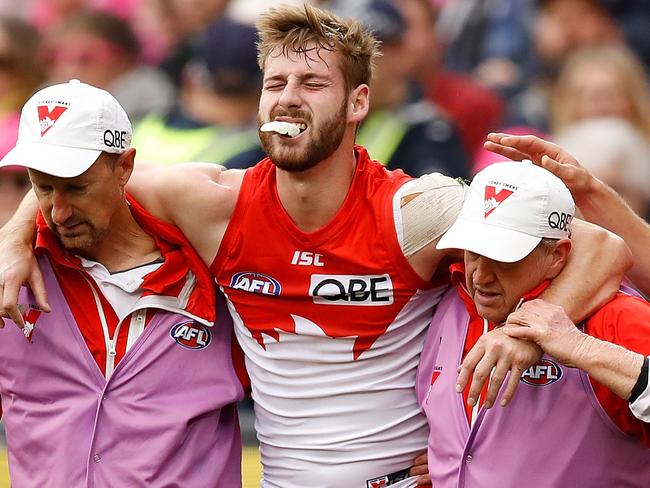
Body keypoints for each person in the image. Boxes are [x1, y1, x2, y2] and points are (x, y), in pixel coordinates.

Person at [0, 6, 630, 488]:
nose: (288, 98)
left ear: (359, 101)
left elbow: (599, 246)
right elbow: (87, 174)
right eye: (275, 83)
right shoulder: (213, 203)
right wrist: (14, 236)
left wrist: (525, 332)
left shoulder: (414, 210)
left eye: (312, 82)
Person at [0, 80, 243, 487]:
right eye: (42, 188)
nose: (58, 212)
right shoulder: (12, 278)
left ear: (124, 167)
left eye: (77, 187)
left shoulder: (214, 268)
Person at [417, 161, 650, 487]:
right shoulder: (449, 303)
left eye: (503, 257)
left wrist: (583, 349)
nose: (481, 276)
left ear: (557, 255)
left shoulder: (617, 319)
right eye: (473, 252)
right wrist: (455, 465)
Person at [484, 131, 650, 423]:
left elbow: (608, 247)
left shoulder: (624, 317)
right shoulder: (454, 300)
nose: (481, 274)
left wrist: (578, 345)